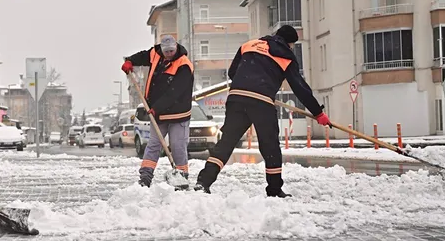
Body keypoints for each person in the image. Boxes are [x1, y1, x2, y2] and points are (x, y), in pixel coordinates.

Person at [195, 25, 331, 197]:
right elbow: (300, 88)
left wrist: (247, 84)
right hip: (261, 102)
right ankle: (274, 190)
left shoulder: (250, 45)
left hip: (236, 98)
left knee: (226, 143)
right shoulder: (286, 55)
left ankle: (203, 182)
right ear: (290, 44)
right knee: (270, 146)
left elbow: (232, 72)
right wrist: (318, 113)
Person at [121, 34, 194, 188]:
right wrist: (130, 61)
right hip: (158, 113)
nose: (169, 54)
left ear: (176, 47)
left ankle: (181, 177)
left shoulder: (184, 65)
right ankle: (145, 176)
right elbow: (143, 56)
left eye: (171, 51)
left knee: (178, 146)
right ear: (162, 49)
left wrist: (156, 107)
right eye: (166, 51)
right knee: (153, 144)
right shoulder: (155, 54)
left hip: (178, 114)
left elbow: (175, 92)